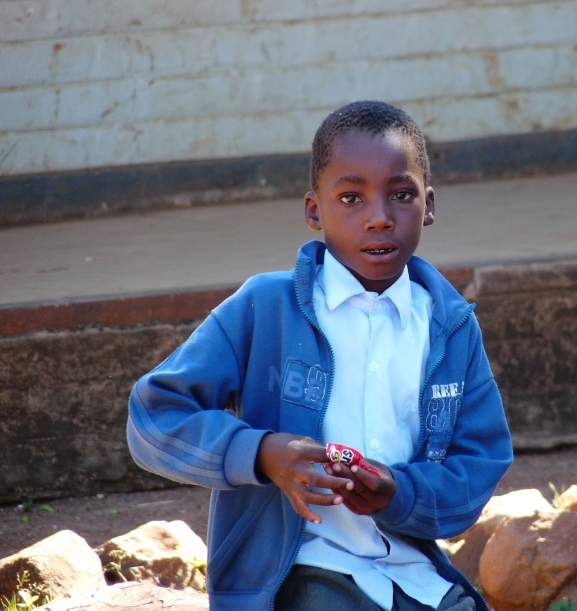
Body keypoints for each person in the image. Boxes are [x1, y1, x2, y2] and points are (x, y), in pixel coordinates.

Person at [127, 100, 513, 611]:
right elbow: (154, 416)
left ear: (429, 204)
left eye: (401, 195)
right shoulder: (267, 308)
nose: (379, 218)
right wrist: (261, 453)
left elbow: (480, 461)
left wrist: (399, 492)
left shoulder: (451, 327)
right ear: (314, 211)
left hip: (413, 576)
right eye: (351, 198)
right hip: (300, 574)